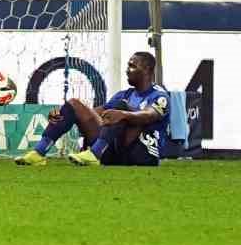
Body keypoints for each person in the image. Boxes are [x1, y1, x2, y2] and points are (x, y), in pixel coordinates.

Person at [15, 52, 170, 167]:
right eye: (128, 66)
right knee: (74, 105)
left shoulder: (159, 95)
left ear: (148, 69)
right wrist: (65, 115)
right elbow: (96, 114)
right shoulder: (125, 94)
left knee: (120, 109)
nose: (127, 70)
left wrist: (123, 114)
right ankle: (39, 153)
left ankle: (94, 154)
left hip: (141, 155)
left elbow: (150, 115)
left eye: (132, 66)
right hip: (113, 153)